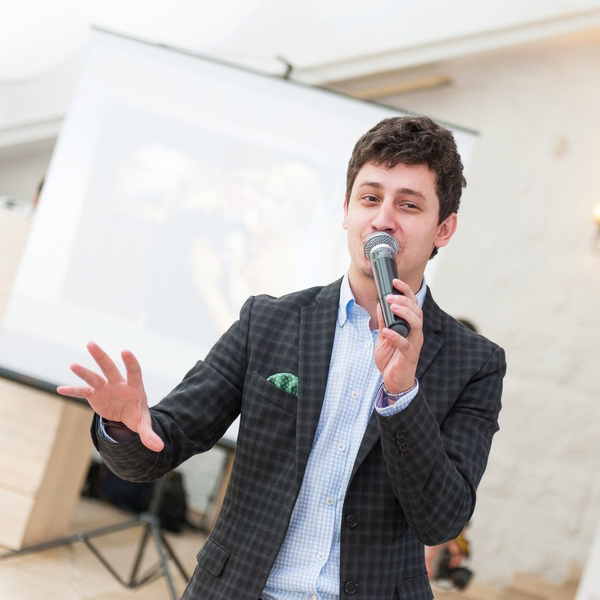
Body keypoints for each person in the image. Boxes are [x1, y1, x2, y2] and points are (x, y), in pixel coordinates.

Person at [57, 115, 506, 600]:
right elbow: (161, 444)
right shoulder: (269, 321)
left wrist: (402, 396)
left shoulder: (474, 364)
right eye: (370, 198)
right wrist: (125, 427)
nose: (382, 220)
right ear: (346, 210)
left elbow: (441, 518)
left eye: (409, 205)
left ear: (444, 229)